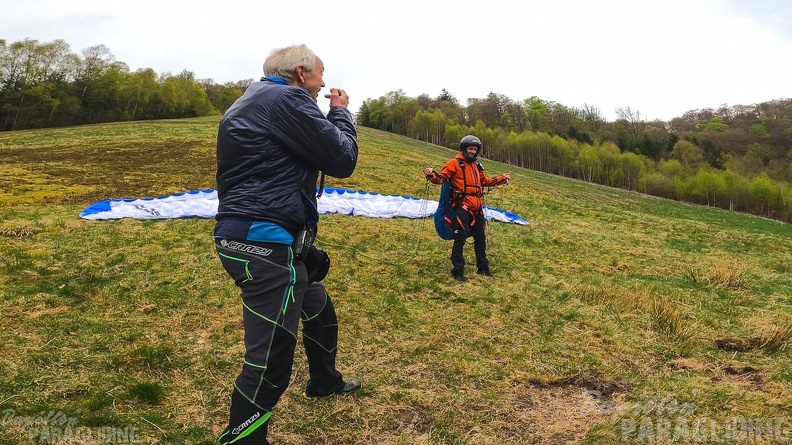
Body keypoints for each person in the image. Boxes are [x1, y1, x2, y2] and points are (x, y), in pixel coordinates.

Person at [213, 44, 361, 445]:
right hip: (261, 241)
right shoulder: (288, 98)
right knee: (271, 356)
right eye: (320, 74)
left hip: (258, 234)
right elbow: (342, 158)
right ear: (300, 72)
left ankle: (325, 381)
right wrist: (341, 112)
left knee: (316, 303)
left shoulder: (255, 98)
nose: (324, 83)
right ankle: (241, 439)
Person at [423, 135, 511, 282]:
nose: (472, 151)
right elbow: (441, 179)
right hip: (462, 206)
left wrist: (502, 179)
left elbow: (484, 182)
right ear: (464, 149)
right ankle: (457, 271)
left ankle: (483, 269)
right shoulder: (454, 163)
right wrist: (431, 175)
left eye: (475, 149)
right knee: (460, 238)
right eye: (470, 148)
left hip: (477, 207)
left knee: (480, 238)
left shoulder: (477, 166)